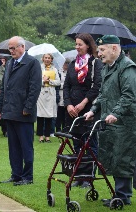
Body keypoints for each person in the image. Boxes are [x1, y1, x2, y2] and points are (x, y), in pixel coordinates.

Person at [84, 35, 136, 206]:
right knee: (113, 157)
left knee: (123, 158)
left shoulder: (127, 67)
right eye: (98, 50)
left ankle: (123, 196)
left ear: (114, 48)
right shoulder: (107, 67)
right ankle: (120, 194)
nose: (99, 54)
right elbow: (102, 94)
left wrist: (115, 113)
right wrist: (93, 110)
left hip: (124, 123)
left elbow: (129, 95)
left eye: (102, 50)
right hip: (109, 122)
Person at [0, 36, 42, 186]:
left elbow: (35, 88)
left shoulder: (32, 63)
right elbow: (4, 87)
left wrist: (28, 108)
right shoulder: (9, 63)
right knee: (13, 146)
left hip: (23, 113)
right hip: (10, 111)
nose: (12, 51)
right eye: (10, 48)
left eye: (14, 48)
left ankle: (27, 176)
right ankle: (16, 174)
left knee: (26, 146)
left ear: (22, 47)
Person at [63, 33, 102, 188]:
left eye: (80, 44)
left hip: (88, 110)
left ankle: (89, 177)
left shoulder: (95, 64)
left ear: (88, 45)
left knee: (90, 144)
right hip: (72, 110)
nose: (77, 47)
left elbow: (97, 86)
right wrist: (68, 105)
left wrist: (83, 103)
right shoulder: (73, 64)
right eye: (76, 44)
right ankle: (79, 175)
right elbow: (66, 86)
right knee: (77, 144)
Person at [36, 53, 61, 143]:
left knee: (49, 116)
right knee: (40, 116)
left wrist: (49, 81)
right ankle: (40, 136)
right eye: (45, 58)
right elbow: (35, 81)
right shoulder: (38, 68)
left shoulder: (54, 69)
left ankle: (47, 136)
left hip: (51, 94)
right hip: (41, 94)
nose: (47, 59)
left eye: (49, 58)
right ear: (43, 59)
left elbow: (58, 82)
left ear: (51, 59)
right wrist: (43, 81)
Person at [55, 58, 71, 132]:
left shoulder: (70, 72)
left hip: (68, 95)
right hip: (60, 95)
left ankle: (65, 128)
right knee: (59, 113)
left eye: (68, 64)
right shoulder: (59, 72)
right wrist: (64, 85)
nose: (66, 65)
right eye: (65, 64)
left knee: (66, 114)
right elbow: (57, 84)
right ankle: (58, 128)